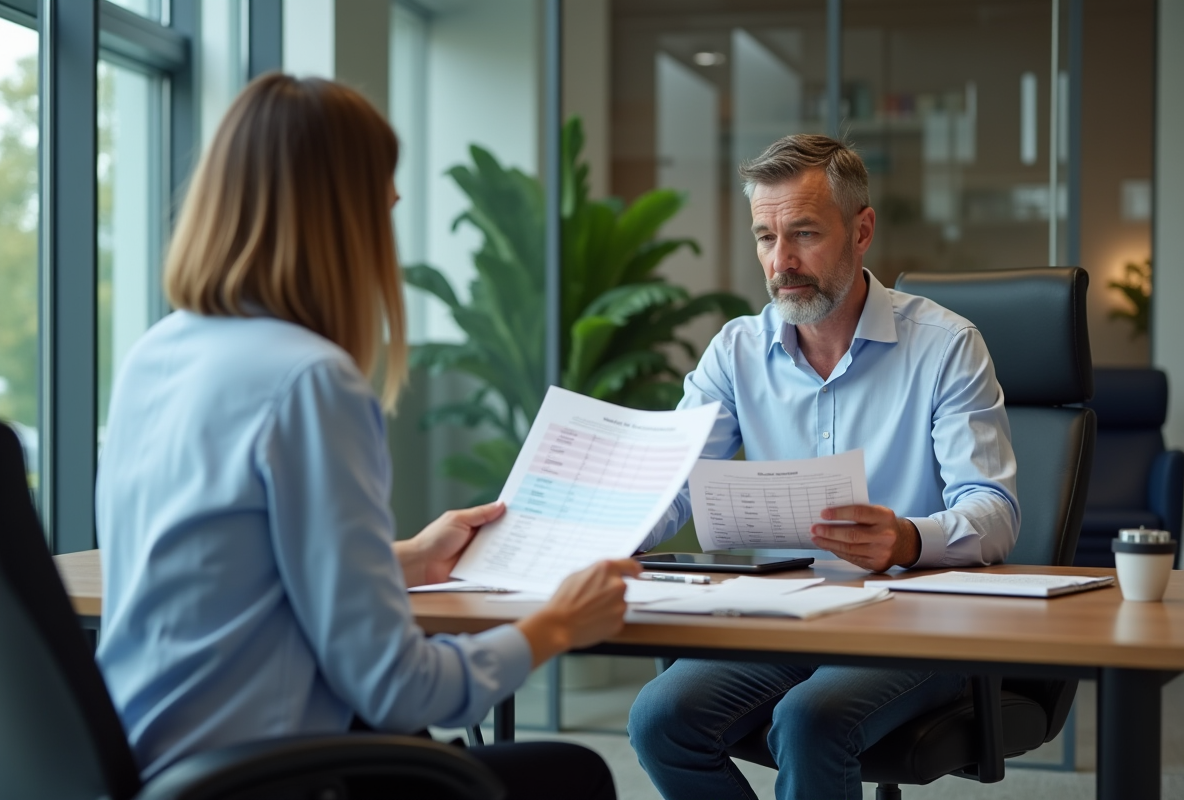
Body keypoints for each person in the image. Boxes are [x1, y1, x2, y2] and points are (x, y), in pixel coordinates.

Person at [95, 73, 638, 800]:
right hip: (260, 779)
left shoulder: (154, 354)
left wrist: (408, 558)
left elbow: (235, 573)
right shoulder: (309, 381)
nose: (394, 208)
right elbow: (398, 689)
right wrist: (555, 626)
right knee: (571, 777)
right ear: (340, 220)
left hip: (146, 764)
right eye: (382, 198)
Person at [626, 134, 1020, 800]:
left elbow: (995, 510)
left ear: (862, 230)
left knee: (810, 722)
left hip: (915, 620)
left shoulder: (947, 346)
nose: (782, 262)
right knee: (660, 718)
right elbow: (671, 480)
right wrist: (604, 531)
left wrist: (907, 538)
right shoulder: (736, 351)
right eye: (765, 238)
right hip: (784, 615)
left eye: (804, 233)